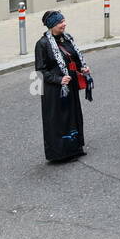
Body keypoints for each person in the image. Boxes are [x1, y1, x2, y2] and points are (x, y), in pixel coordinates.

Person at [35, 11, 91, 162]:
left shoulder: (67, 39)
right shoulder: (42, 44)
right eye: (60, 22)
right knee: (59, 120)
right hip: (54, 89)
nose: (64, 24)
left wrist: (82, 69)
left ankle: (75, 148)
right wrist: (58, 79)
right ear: (52, 25)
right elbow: (40, 70)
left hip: (70, 85)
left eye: (64, 21)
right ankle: (60, 154)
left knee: (73, 116)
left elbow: (74, 58)